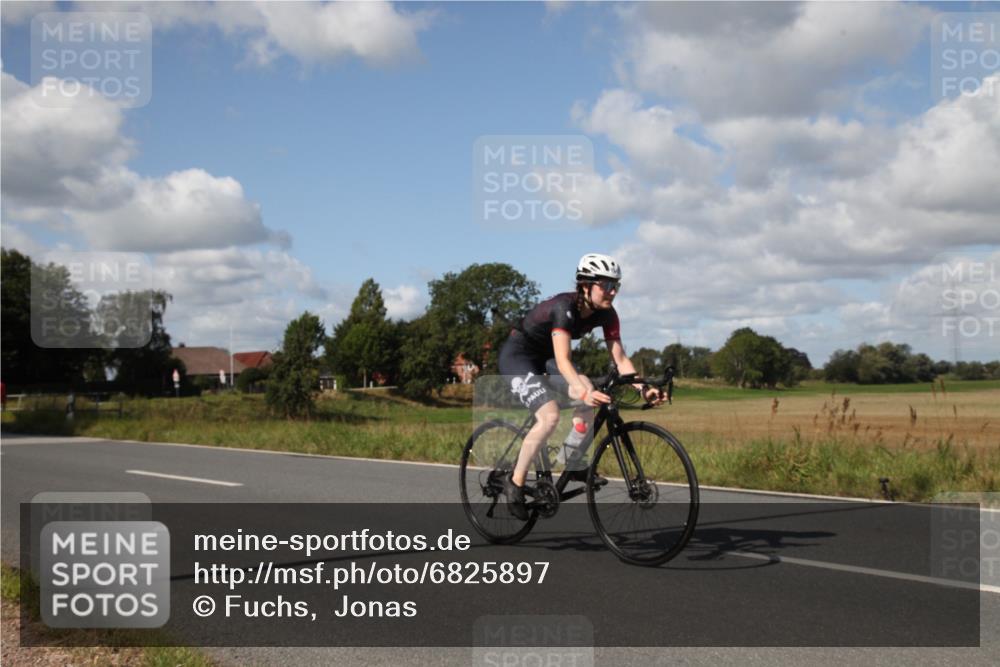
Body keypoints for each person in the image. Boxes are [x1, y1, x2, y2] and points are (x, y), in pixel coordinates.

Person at [497, 253, 667, 519]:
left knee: (589, 395)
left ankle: (571, 460)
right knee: (550, 415)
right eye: (606, 285)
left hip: (547, 358)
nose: (612, 292)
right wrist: (583, 391)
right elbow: (564, 361)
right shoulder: (564, 308)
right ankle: (515, 482)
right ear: (585, 285)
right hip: (519, 356)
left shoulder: (607, 314)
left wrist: (644, 388)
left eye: (616, 285)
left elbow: (620, 358)